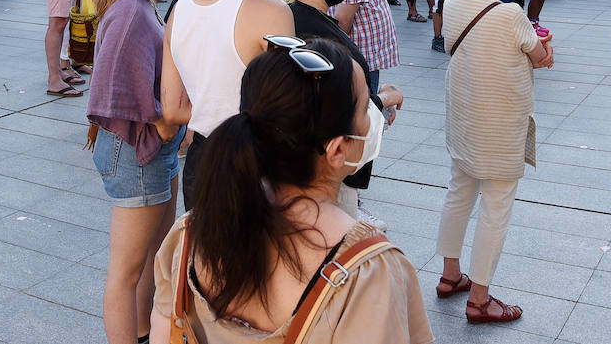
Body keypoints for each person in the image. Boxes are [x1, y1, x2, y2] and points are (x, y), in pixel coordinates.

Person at [150, 39, 434, 344]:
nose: (371, 119)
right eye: (366, 107)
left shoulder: (190, 234)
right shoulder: (366, 272)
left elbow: (163, 333)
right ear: (337, 150)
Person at [435, 0, 554, 324]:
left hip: (464, 114)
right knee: (496, 206)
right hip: (499, 120)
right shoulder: (508, 14)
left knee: (459, 191)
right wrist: (546, 50)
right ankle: (481, 298)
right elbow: (539, 57)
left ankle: (451, 275)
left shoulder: (453, 3)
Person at [86, 0, 188, 344]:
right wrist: (164, 122)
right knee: (126, 271)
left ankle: (145, 332)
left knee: (154, 258)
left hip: (151, 149)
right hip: (136, 150)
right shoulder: (129, 11)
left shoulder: (139, 2)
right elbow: (115, 91)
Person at [160, 0, 294, 211]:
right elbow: (288, 110)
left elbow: (173, 110)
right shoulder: (271, 10)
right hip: (254, 161)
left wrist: (211, 109)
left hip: (201, 159)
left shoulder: (181, 8)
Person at [285, 0, 405, 223]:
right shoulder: (311, 31)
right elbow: (336, 105)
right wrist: (385, 98)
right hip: (329, 172)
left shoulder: (306, 18)